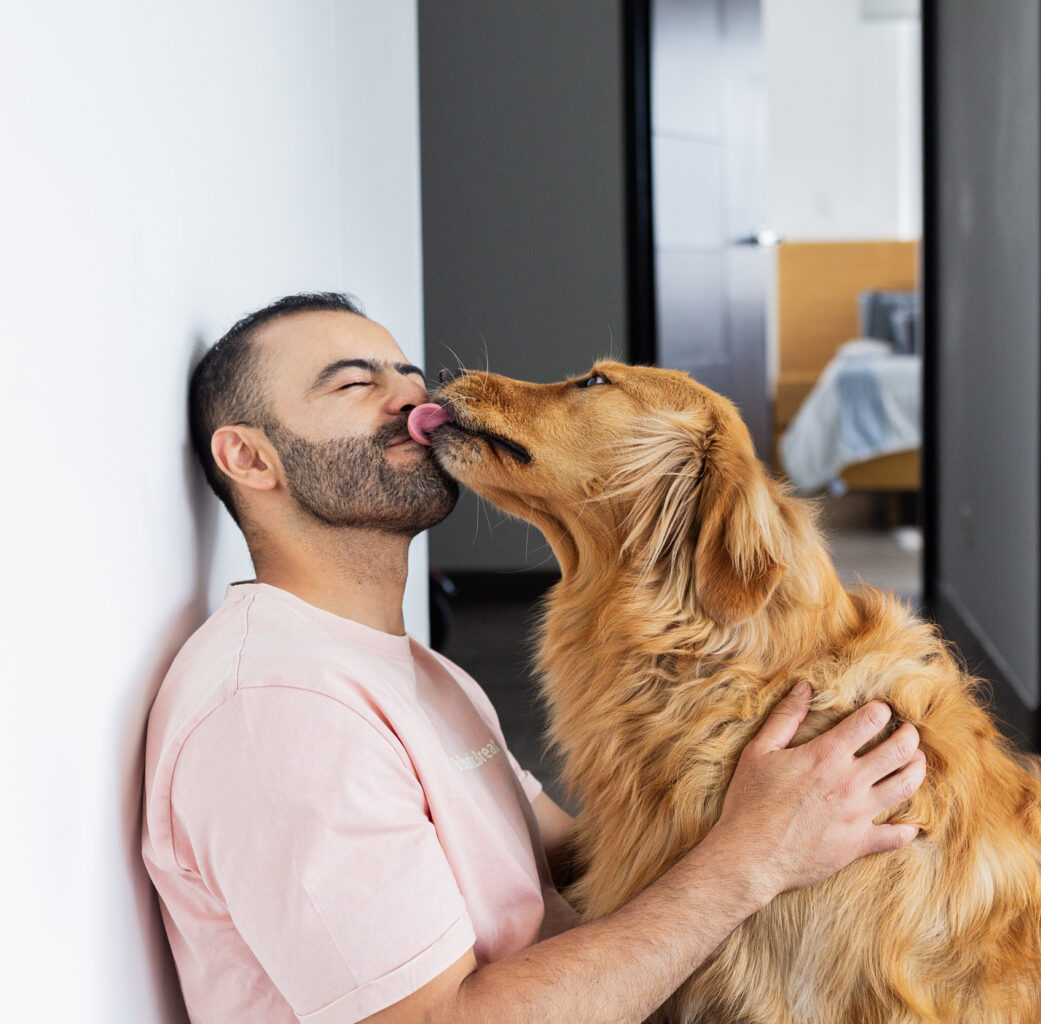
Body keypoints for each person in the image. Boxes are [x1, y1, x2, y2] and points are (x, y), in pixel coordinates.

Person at [141, 292, 929, 1024]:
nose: (411, 397)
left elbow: (563, 850)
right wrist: (754, 857)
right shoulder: (277, 708)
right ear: (250, 459)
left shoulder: (411, 673)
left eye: (408, 374)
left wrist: (808, 809)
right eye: (353, 383)